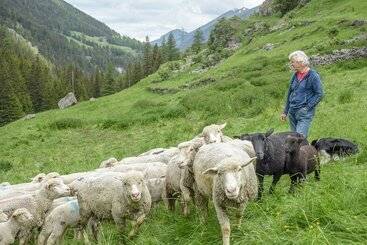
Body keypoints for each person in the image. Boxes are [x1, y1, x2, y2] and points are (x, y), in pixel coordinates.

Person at [280, 51, 324, 138]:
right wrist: (285, 112)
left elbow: (319, 94)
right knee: (293, 140)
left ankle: (307, 151)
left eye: (293, 62)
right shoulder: (295, 75)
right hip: (292, 112)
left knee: (299, 139)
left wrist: (307, 108)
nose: (291, 64)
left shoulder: (313, 76)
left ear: (301, 62)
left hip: (304, 112)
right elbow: (290, 93)